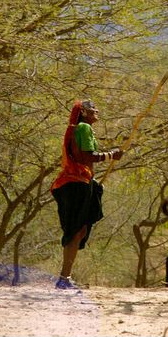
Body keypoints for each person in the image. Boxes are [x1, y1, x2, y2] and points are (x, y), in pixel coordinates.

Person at [51, 99, 124, 290]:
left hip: (79, 183)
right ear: (83, 112)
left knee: (79, 230)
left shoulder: (81, 128)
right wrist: (111, 155)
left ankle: (65, 277)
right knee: (75, 231)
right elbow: (86, 156)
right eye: (93, 109)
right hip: (76, 185)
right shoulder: (83, 128)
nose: (97, 111)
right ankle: (63, 278)